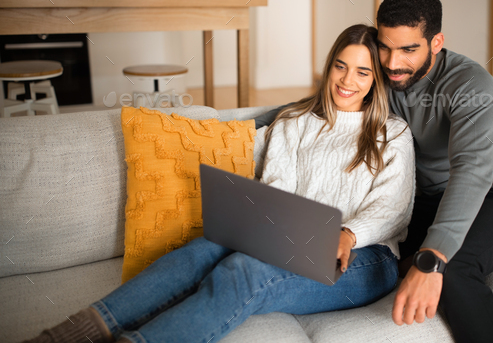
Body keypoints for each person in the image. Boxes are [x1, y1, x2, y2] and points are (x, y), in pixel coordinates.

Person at [25, 24, 415, 343]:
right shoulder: (294, 122)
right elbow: (279, 191)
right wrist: (274, 225)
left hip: (367, 259)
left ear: (376, 79)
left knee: (243, 271)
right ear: (329, 67)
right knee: (205, 249)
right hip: (302, 239)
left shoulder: (392, 133)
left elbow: (392, 208)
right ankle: (63, 336)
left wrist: (346, 234)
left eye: (363, 72)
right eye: (341, 67)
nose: (348, 80)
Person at [255, 0, 493, 343]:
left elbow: (472, 172)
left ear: (436, 42)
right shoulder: (385, 77)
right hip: (421, 203)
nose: (392, 62)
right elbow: (321, 103)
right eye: (384, 47)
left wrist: (431, 258)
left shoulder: (470, 85)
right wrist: (234, 129)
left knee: (452, 270)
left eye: (408, 49)